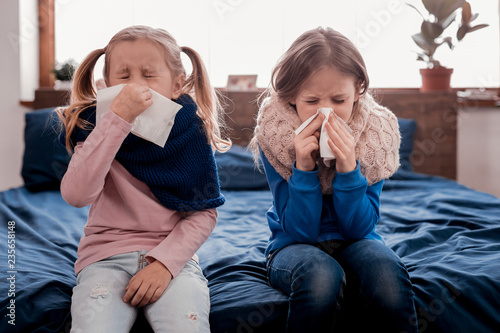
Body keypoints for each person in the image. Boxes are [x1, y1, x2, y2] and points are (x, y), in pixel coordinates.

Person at [58, 25, 230, 332]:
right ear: (106, 84)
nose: (135, 87)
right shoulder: (93, 129)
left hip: (172, 263)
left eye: (148, 75)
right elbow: (75, 195)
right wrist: (116, 121)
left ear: (177, 85)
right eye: (123, 77)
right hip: (103, 259)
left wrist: (164, 265)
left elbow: (203, 213)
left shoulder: (191, 135)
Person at [251, 27, 418, 332]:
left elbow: (360, 228)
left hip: (357, 239)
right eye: (311, 101)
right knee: (320, 276)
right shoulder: (275, 136)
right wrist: (303, 168)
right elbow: (301, 231)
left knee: (386, 275)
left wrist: (349, 169)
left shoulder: (375, 138)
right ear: (291, 99)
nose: (326, 113)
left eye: (339, 100)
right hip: (292, 244)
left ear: (359, 90)